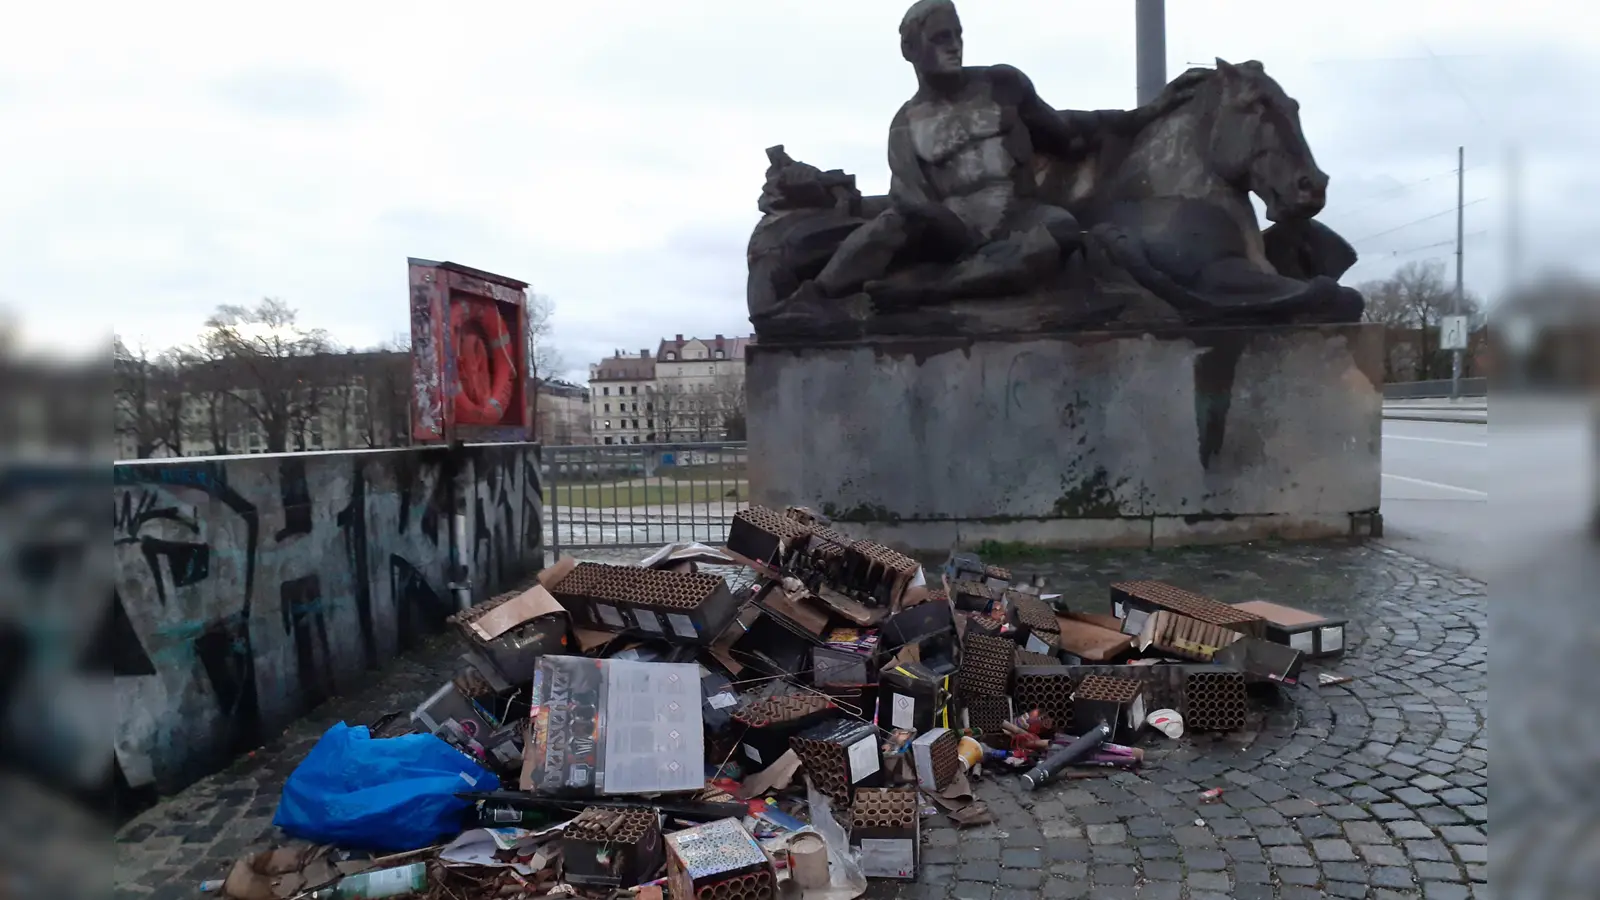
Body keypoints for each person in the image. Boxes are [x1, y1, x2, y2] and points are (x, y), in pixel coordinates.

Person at [816, 0, 1191, 300]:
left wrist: (1147, 113)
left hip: (1018, 219)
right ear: (910, 49)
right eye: (941, 37)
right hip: (956, 231)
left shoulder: (1002, 84)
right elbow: (912, 200)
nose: (954, 44)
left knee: (1061, 229)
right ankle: (814, 297)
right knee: (890, 225)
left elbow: (1068, 131)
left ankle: (937, 290)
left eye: (957, 34)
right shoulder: (904, 127)